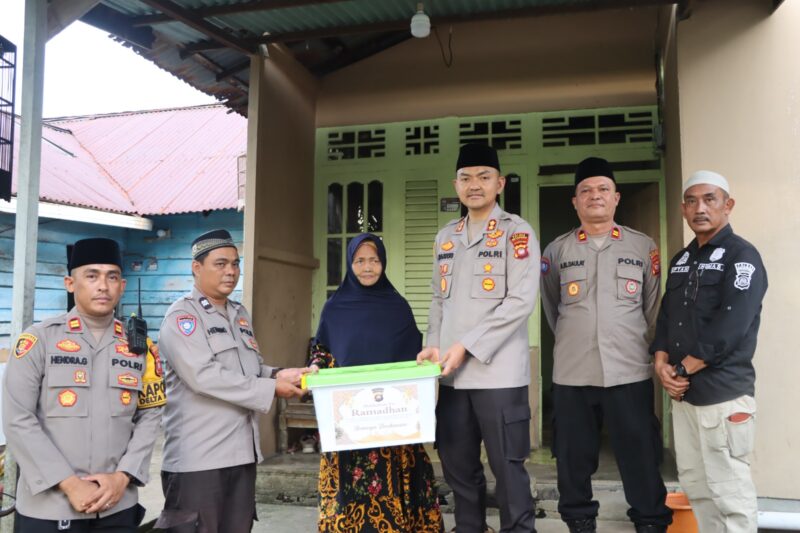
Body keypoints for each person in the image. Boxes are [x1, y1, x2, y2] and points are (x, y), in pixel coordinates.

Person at [539, 157, 672, 533]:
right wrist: (578, 335)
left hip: (628, 371)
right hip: (573, 373)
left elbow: (653, 309)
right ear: (575, 202)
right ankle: (579, 522)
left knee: (640, 455)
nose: (594, 196)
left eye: (602, 190)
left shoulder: (643, 247)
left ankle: (650, 522)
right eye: (586, 191)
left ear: (616, 198)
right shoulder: (556, 251)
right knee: (572, 458)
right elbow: (554, 310)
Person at [417, 143, 539, 533]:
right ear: (456, 185)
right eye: (466, 178)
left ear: (499, 183)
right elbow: (438, 299)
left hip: (498, 376)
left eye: (484, 177)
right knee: (457, 467)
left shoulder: (516, 232)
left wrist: (466, 346)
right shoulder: (445, 237)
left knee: (508, 470)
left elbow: (520, 301)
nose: (475, 185)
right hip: (452, 377)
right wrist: (433, 345)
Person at [2, 237, 162, 531]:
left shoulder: (141, 348)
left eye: (112, 277)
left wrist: (123, 476)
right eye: (91, 275)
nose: (103, 285)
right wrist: (70, 484)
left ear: (122, 286)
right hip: (49, 508)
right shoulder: (39, 340)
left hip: (117, 504)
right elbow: (17, 419)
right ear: (69, 283)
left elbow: (151, 416)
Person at [155, 229, 309, 533]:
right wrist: (271, 388)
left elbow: (249, 369)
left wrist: (278, 375)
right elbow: (204, 377)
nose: (231, 272)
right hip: (198, 460)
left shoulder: (238, 314)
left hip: (240, 455)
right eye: (221, 264)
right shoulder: (182, 317)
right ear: (196, 268)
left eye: (235, 264)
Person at [651, 171, 767, 533]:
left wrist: (682, 370)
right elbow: (668, 314)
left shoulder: (742, 256)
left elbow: (733, 323)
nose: (699, 208)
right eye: (691, 201)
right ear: (683, 209)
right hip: (686, 399)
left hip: (723, 396)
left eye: (709, 199)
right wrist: (661, 361)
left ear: (727, 205)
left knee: (729, 492)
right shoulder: (682, 259)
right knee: (698, 488)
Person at [308, 233, 444, 533]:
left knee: (394, 480)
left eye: (374, 260)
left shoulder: (398, 306)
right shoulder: (334, 308)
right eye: (359, 261)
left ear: (383, 263)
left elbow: (414, 357)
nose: (367, 268)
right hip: (350, 419)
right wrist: (317, 365)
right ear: (349, 264)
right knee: (350, 484)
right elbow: (322, 349)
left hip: (391, 420)